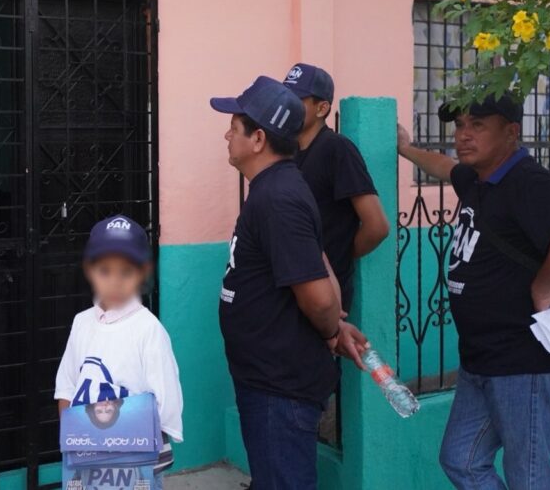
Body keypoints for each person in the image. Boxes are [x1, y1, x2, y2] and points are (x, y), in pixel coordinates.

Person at [397, 91, 550, 489]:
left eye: (478, 125)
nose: (463, 135)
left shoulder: (526, 182)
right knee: (461, 460)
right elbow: (446, 167)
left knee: (528, 477)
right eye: (460, 125)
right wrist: (406, 149)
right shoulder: (480, 178)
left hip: (525, 362)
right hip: (482, 359)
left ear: (511, 132)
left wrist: (544, 285)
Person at [210, 76, 368, 490]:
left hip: (278, 387)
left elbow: (319, 298)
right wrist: (335, 326)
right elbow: (315, 262)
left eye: (234, 127)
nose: (227, 135)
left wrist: (331, 328)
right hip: (268, 380)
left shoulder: (278, 198)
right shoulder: (278, 188)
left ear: (258, 139)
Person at [55, 214, 183, 475]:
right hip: (86, 460)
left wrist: (129, 450)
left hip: (133, 462)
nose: (114, 281)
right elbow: (66, 388)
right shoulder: (82, 323)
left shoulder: (148, 329)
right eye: (105, 270)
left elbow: (166, 403)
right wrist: (76, 442)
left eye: (125, 271)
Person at [283, 63, 389, 311]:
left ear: (322, 108)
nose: (288, 106)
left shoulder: (337, 149)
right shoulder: (288, 151)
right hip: (293, 286)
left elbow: (377, 227)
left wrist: (339, 255)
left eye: (297, 100)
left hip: (325, 294)